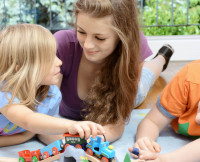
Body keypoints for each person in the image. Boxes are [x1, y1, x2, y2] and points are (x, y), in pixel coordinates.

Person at [38, 0, 174, 144]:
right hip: (70, 118)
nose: (88, 45)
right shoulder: (62, 44)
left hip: (130, 83)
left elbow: (115, 128)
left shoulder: (132, 47)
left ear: (121, 37)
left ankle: (161, 58)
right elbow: (42, 121)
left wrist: (84, 143)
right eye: (81, 31)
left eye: (100, 38)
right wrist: (72, 143)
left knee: (143, 85)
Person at [129, 59, 200, 162]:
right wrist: (145, 138)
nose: (198, 119)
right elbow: (153, 121)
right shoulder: (189, 81)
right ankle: (161, 57)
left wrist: (163, 159)